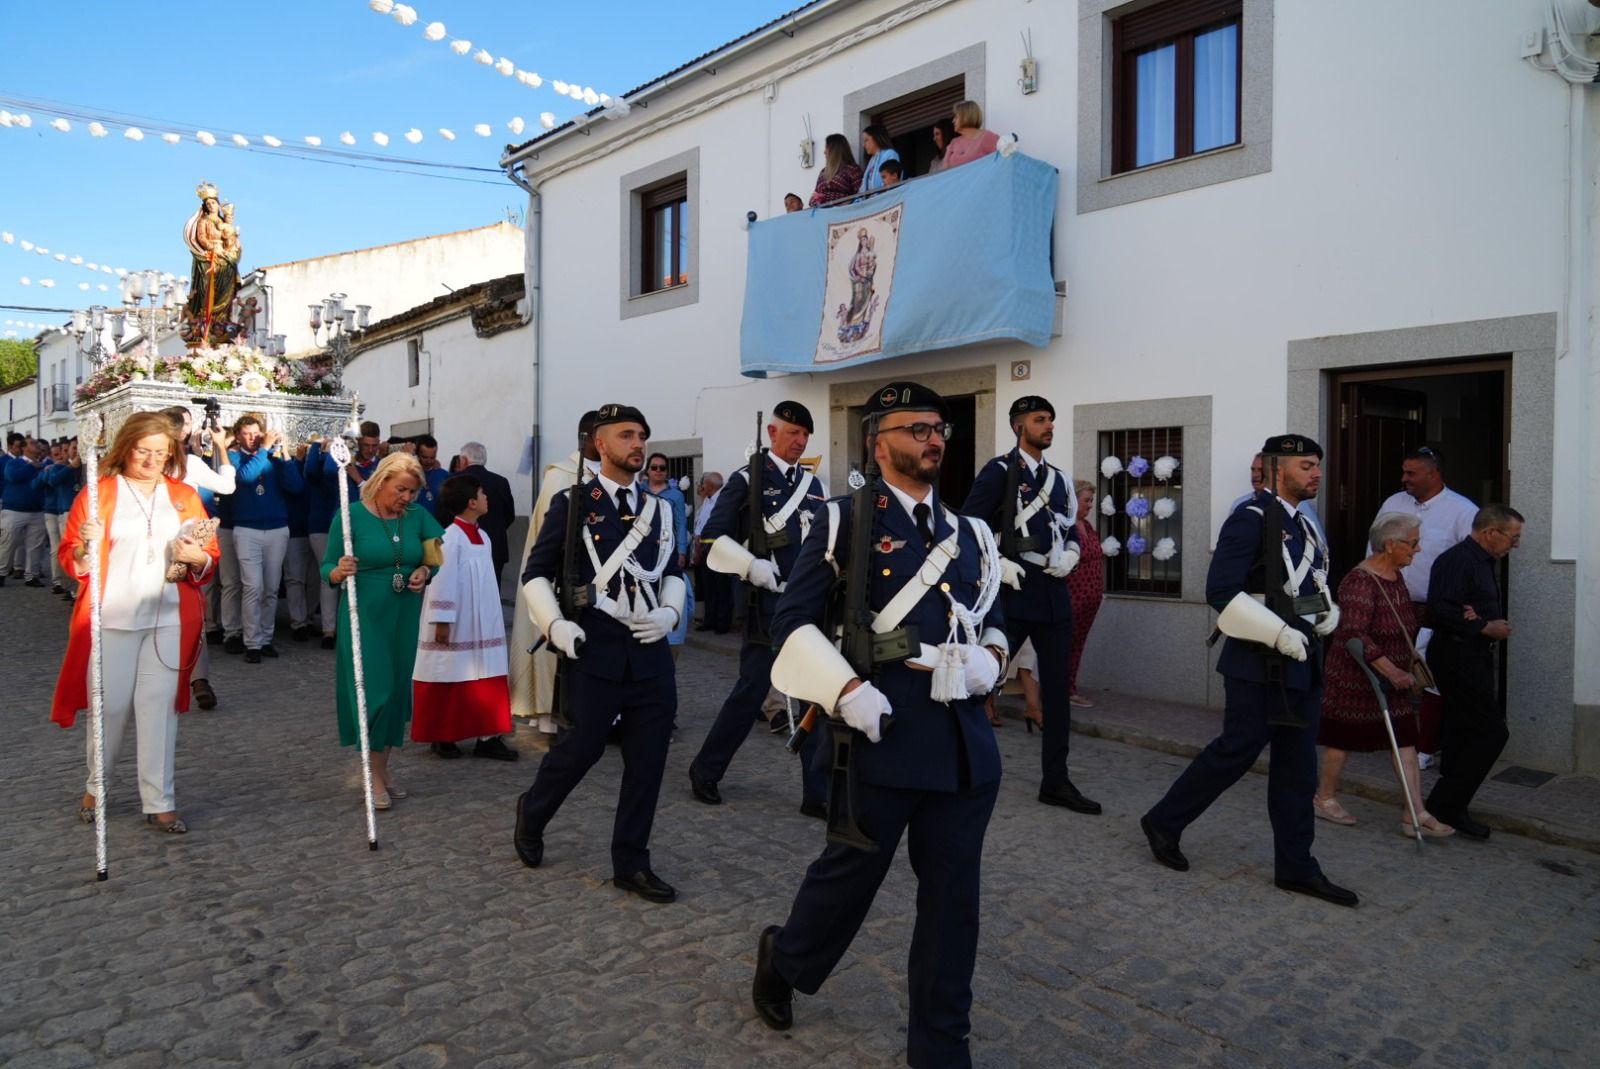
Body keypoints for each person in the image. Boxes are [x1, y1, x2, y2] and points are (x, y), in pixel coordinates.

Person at [751, 381, 1007, 1067]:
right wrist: (846, 688)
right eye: (917, 427)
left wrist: (993, 658)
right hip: (880, 736)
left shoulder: (972, 533)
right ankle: (785, 958)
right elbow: (792, 624)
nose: (934, 439)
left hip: (962, 750)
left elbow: (992, 615)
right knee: (849, 881)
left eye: (939, 428)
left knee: (954, 904)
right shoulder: (841, 522)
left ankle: (940, 1045)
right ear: (879, 440)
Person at [1140, 434, 1359, 907]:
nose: (1316, 473)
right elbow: (1221, 591)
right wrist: (1277, 633)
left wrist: (1324, 615)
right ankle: (1164, 821)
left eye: (1318, 464)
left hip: (1304, 660)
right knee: (1233, 754)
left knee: (1298, 770)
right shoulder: (1250, 519)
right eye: (1306, 466)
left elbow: (1301, 584)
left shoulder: (1307, 525)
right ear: (1277, 470)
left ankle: (1297, 867)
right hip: (1257, 663)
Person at [514, 403, 685, 902]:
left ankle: (630, 862)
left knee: (648, 762)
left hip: (650, 654)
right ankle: (534, 811)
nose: (638, 444)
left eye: (643, 435)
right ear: (600, 445)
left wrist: (671, 616)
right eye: (627, 435)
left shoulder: (660, 509)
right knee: (580, 751)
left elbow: (672, 571)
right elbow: (535, 574)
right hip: (595, 649)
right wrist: (556, 624)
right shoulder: (573, 503)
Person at [50, 411, 220, 834]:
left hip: (167, 617)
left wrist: (198, 558)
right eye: (143, 451)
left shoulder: (185, 496)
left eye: (160, 452)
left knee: (158, 709)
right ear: (126, 448)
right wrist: (85, 550)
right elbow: (72, 557)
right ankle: (97, 786)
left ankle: (159, 799)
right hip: (113, 616)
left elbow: (208, 554)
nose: (151, 460)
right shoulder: (98, 493)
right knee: (110, 709)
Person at [687, 401, 829, 815]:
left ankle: (815, 792)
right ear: (772, 433)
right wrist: (751, 565)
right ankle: (705, 770)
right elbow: (712, 538)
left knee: (812, 695)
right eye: (792, 433)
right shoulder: (747, 480)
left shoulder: (812, 485)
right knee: (750, 693)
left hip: (807, 604)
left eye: (805, 435)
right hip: (766, 604)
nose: (800, 442)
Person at [962, 396, 1098, 814]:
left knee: (1056, 692)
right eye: (1040, 420)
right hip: (1013, 595)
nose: (1049, 427)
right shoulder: (1000, 472)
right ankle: (957, 761)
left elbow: (1072, 528)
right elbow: (969, 525)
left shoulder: (1058, 480)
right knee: (980, 680)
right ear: (1019, 426)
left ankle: (1055, 780)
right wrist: (998, 563)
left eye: (1051, 420)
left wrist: (1072, 553)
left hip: (1053, 596)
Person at [1314, 513, 1453, 836]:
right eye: (1413, 543)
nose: (1417, 550)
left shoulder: (1396, 575)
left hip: (1394, 679)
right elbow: (1355, 633)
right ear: (1391, 545)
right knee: (1341, 741)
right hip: (1355, 678)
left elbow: (1402, 617)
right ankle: (1324, 797)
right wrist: (1392, 672)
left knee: (1405, 739)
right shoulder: (1360, 581)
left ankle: (1414, 813)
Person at [321, 452, 444, 810]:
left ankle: (382, 769)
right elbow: (327, 565)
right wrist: (338, 570)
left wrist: (424, 572)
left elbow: (433, 556)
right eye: (401, 489)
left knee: (396, 694)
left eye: (412, 492)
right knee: (377, 691)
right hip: (365, 613)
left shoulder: (417, 517)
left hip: (404, 611)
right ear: (381, 481)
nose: (406, 498)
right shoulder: (350, 517)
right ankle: (371, 774)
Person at [1423, 504, 1523, 841]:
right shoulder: (1458, 560)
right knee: (1492, 732)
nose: (1516, 544)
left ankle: (1448, 805)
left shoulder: (1483, 562)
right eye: (1513, 537)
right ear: (1491, 532)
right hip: (1457, 655)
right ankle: (1446, 803)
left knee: (1463, 730)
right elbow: (1440, 610)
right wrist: (1483, 626)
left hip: (1472, 654)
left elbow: (1461, 607)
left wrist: (1477, 620)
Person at [412, 474, 517, 761]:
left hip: (485, 621)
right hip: (459, 623)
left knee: (488, 673)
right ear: (471, 503)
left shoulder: (483, 536)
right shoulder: (448, 538)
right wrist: (442, 621)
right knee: (449, 673)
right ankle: (443, 736)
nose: (487, 498)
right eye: (483, 494)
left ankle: (489, 735)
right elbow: (441, 582)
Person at [510, 410, 601, 738]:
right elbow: (547, 540)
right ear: (588, 438)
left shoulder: (609, 475)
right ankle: (553, 712)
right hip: (563, 576)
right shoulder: (561, 477)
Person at [160, 405, 235, 710]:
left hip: (171, 539)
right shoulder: (189, 462)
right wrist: (220, 448)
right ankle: (197, 678)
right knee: (192, 610)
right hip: (184, 536)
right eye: (188, 423)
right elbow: (227, 486)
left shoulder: (186, 460)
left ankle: (185, 677)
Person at [228, 413, 304, 663]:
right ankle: (252, 642)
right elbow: (245, 478)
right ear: (238, 436)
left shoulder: (272, 456)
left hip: (277, 528)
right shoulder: (233, 457)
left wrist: (286, 457)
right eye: (247, 434)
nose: (252, 438)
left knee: (271, 588)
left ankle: (266, 638)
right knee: (253, 586)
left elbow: (295, 487)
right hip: (247, 529)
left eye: (256, 434)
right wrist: (263, 450)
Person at [1372, 446, 1478, 614]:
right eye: (1404, 472)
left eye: (1411, 473)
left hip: (1437, 611)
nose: (1404, 478)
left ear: (1433, 474)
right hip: (1388, 607)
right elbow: (1373, 549)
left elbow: (1473, 564)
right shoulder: (1393, 504)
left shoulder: (1464, 511)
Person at [639, 452, 693, 651]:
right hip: (643, 549)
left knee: (676, 589)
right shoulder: (638, 490)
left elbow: (680, 524)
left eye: (662, 468)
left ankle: (672, 631)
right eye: (654, 467)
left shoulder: (675, 495)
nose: (658, 471)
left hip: (667, 549)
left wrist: (681, 551)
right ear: (648, 470)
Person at [455, 442, 517, 590]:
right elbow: (509, 515)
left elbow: (444, 515)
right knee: (492, 593)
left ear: (463, 460)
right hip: (495, 546)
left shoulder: (455, 481)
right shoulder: (501, 482)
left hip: (463, 547)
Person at [1066, 478, 1106, 708]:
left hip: (1090, 600)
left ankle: (1070, 686)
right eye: (1087, 500)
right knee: (1067, 644)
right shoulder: (1067, 528)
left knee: (1078, 644)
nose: (1091, 505)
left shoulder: (1089, 527)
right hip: (1073, 597)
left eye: (1092, 500)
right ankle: (1064, 689)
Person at [0, 436, 50, 586]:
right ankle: (1, 572)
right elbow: (12, 477)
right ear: (24, 448)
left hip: (37, 510)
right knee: (8, 542)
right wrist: (31, 467)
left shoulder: (45, 465)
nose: (37, 445)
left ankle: (31, 575)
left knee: (35, 545)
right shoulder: (13, 463)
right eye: (33, 443)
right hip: (14, 510)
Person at [691, 471, 732, 633]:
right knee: (709, 586)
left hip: (719, 547)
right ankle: (710, 620)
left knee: (721, 587)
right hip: (705, 547)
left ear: (710, 485)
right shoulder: (708, 500)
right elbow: (701, 525)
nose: (702, 486)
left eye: (704, 484)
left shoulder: (723, 500)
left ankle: (722, 623)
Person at [808, 134, 863, 208]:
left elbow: (861, 195)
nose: (824, 152)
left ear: (834, 150)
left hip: (843, 214)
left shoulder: (852, 170)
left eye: (826, 148)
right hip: (822, 214)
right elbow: (816, 193)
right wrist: (814, 200)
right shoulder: (823, 172)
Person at [942, 100, 999, 170]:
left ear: (966, 116)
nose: (953, 121)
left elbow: (999, 164)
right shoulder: (954, 142)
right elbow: (944, 171)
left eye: (956, 117)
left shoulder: (987, 137)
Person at [412, 434, 450, 520]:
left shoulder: (445, 476)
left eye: (432, 457)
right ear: (417, 454)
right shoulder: (410, 475)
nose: (429, 461)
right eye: (425, 457)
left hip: (438, 527)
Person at [858, 123, 901, 193]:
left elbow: (892, 181)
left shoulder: (890, 154)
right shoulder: (871, 160)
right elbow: (863, 188)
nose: (864, 145)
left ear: (876, 138)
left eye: (866, 140)